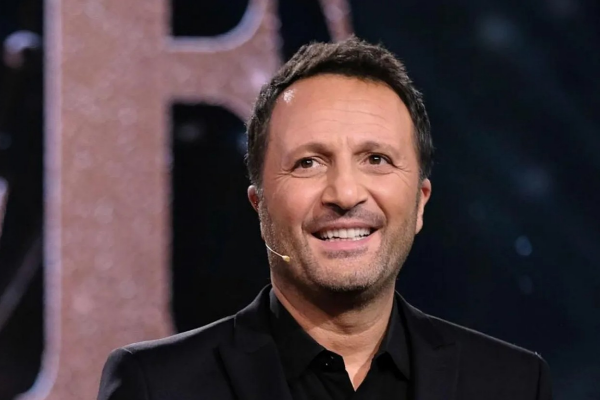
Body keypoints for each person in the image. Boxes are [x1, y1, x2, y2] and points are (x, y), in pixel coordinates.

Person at [97, 37, 552, 400]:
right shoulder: (157, 386)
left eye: (376, 159)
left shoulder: (512, 384)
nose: (345, 194)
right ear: (259, 205)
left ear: (420, 202)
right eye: (308, 163)